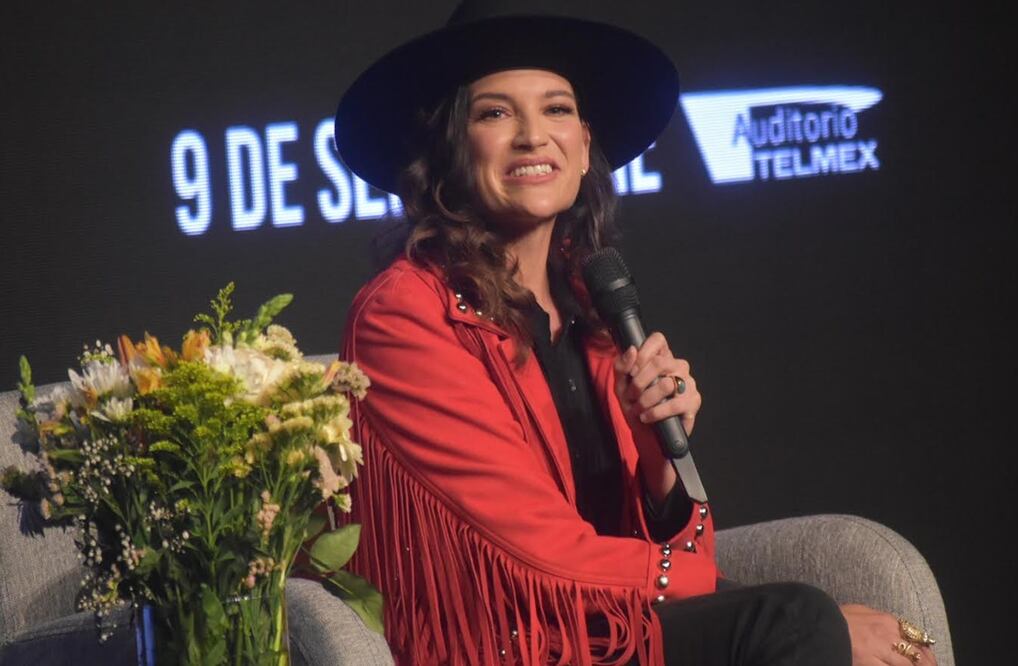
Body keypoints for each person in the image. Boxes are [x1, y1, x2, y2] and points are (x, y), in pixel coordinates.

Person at [334, 2, 939, 665]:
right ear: (450, 148)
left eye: (557, 108)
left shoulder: (589, 309)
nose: (534, 135)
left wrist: (658, 457)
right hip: (507, 642)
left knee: (844, 629)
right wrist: (761, 603)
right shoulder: (405, 314)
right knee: (796, 621)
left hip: (599, 628)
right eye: (495, 113)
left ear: (585, 142)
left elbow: (683, 550)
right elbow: (531, 549)